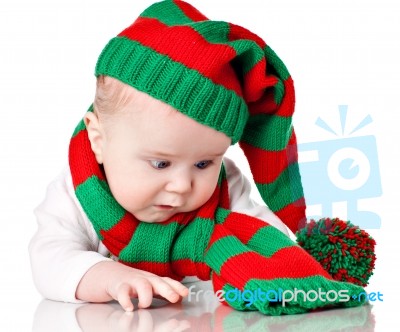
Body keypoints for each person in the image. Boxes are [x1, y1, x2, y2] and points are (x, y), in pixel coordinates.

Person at [29, 0, 369, 315]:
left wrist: (292, 266)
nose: (181, 185)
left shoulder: (226, 187)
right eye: (160, 163)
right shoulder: (77, 191)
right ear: (99, 140)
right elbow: (49, 257)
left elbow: (261, 232)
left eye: (204, 163)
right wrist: (107, 276)